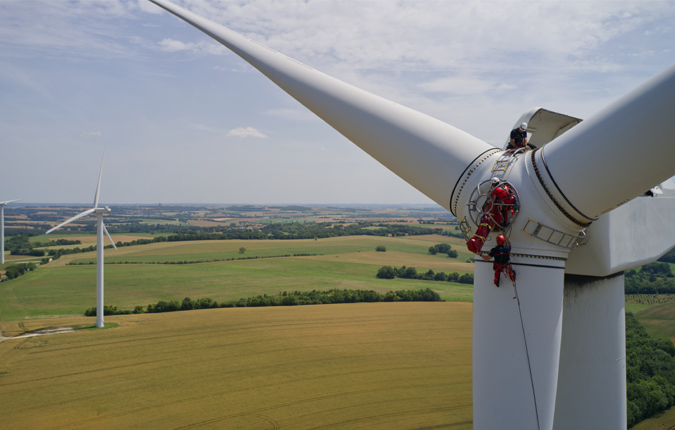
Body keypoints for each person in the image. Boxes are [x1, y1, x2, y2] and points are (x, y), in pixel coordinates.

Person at [466, 178, 517, 253]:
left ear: (493, 184)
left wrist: (487, 203)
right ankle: (503, 223)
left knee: (496, 212)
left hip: (505, 204)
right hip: (510, 203)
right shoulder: (504, 187)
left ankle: (499, 224)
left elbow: (493, 201)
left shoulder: (495, 190)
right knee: (501, 211)